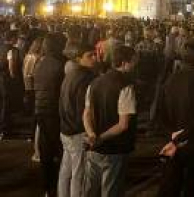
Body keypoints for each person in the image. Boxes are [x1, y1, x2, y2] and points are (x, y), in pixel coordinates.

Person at [157, 39, 194, 197]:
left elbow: (160, 112)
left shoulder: (170, 79)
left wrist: (172, 135)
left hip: (173, 138)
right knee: (193, 184)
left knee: (172, 182)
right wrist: (183, 135)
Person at [83, 45, 138, 197]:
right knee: (111, 190)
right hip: (115, 148)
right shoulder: (126, 86)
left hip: (93, 146)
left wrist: (92, 135)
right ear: (124, 62)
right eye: (133, 61)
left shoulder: (94, 83)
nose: (135, 65)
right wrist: (100, 139)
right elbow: (123, 124)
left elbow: (86, 113)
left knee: (90, 189)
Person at [58, 43, 97, 197]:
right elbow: (85, 108)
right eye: (90, 55)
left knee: (66, 170)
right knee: (78, 174)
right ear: (79, 58)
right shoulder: (86, 78)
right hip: (77, 131)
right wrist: (88, 130)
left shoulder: (70, 74)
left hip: (65, 129)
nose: (94, 58)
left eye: (94, 54)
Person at [34, 33, 66, 197]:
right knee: (60, 149)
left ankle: (47, 187)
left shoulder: (40, 62)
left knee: (46, 149)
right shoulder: (59, 65)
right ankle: (60, 186)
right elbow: (61, 91)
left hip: (40, 109)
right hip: (53, 111)